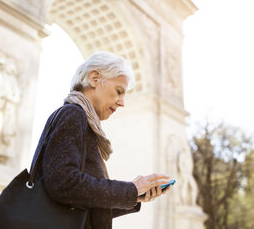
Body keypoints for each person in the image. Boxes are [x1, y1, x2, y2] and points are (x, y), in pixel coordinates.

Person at [31, 51, 172, 229]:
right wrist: (130, 189)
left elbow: (85, 207)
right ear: (95, 78)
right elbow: (63, 183)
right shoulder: (73, 114)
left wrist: (134, 195)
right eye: (118, 91)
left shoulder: (83, 121)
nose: (122, 102)